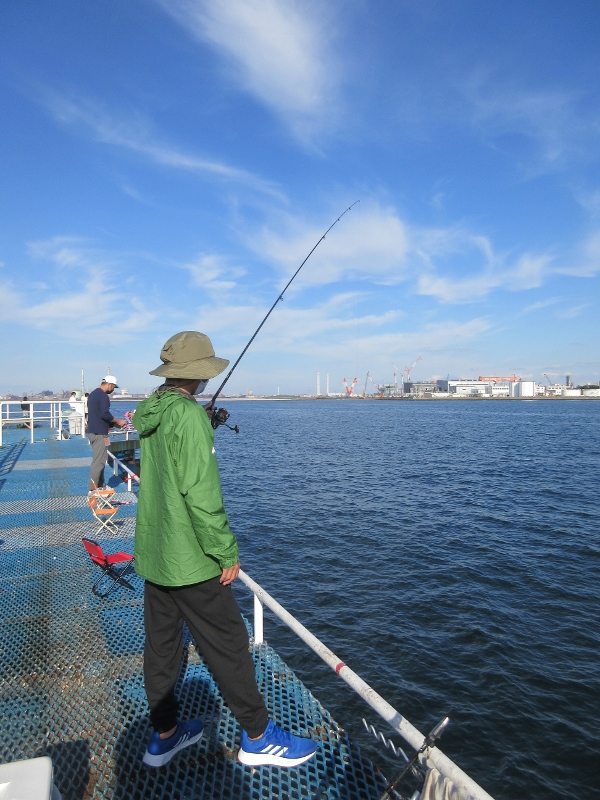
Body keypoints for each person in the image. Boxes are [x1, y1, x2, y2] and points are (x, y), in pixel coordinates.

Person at [133, 331, 317, 769]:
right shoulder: (188, 416)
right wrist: (226, 552)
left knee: (161, 648)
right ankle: (258, 736)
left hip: (156, 554)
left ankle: (165, 736)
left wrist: (204, 423)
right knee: (230, 645)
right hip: (192, 559)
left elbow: (168, 460)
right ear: (199, 375)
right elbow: (200, 493)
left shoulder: (152, 410)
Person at [87, 375, 126, 492]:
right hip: (99, 433)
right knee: (98, 462)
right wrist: (118, 421)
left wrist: (113, 424)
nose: (113, 389)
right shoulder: (103, 396)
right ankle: (93, 489)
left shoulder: (93, 394)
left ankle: (101, 485)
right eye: (114, 387)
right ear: (109, 384)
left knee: (100, 460)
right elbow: (105, 414)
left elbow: (99, 415)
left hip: (93, 431)